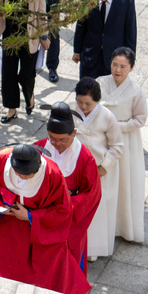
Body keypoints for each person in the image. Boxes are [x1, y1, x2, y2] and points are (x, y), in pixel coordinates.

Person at [0, 144, 90, 294]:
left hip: (37, 230)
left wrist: (31, 217)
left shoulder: (52, 173)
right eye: (19, 174)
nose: (23, 177)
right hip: (4, 224)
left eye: (28, 175)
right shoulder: (0, 158)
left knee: (37, 276)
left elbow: (62, 210)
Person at [37, 105, 101, 272]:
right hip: (40, 212)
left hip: (68, 216)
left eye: (63, 140)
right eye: (52, 138)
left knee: (65, 264)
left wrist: (63, 208)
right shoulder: (38, 148)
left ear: (74, 133)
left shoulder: (85, 158)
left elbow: (92, 194)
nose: (57, 144)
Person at [97, 47, 148, 244]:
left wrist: (118, 126)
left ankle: (124, 227)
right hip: (102, 138)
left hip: (126, 140)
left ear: (131, 68)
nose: (118, 70)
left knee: (126, 181)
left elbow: (140, 119)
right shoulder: (100, 83)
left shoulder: (136, 91)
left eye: (123, 66)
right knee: (106, 183)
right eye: (115, 65)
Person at [71, 77, 123, 260]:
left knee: (97, 210)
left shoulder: (107, 116)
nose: (83, 107)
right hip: (75, 167)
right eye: (80, 102)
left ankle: (92, 250)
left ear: (97, 101)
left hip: (98, 170)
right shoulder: (70, 110)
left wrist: (103, 166)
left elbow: (117, 146)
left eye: (88, 103)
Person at [71, 0, 136, 78]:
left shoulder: (126, 1)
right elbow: (81, 27)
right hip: (90, 56)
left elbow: (130, 32)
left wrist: (130, 59)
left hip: (113, 58)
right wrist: (77, 51)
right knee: (87, 90)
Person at [0, 0, 47, 123]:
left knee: (26, 75)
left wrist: (44, 37)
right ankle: (11, 109)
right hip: (9, 35)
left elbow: (41, 13)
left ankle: (29, 95)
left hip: (30, 36)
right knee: (8, 74)